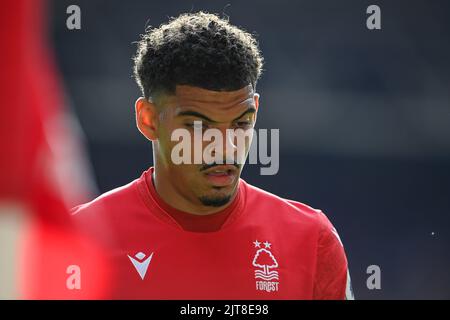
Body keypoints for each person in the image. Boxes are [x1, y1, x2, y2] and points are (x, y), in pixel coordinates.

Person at [72, 11, 354, 299]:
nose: (224, 147)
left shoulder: (311, 240)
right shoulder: (76, 240)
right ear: (148, 120)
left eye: (241, 123)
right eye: (199, 127)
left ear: (255, 109)